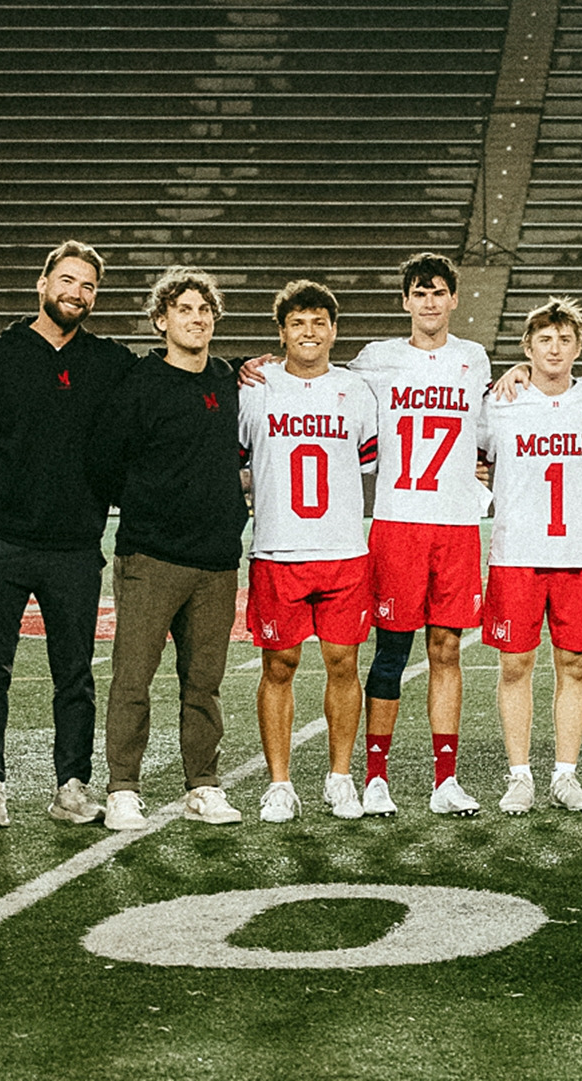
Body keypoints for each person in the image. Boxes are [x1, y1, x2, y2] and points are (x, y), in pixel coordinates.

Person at [0, 240, 137, 828]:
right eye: (67, 280)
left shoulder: (107, 361)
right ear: (43, 284)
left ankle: (71, 788)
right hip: (4, 545)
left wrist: (241, 366)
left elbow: (171, 374)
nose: (76, 293)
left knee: (75, 676)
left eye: (88, 286)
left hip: (75, 549)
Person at [88, 266, 250, 830]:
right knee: (133, 679)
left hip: (216, 560)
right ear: (161, 320)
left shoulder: (227, 379)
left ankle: (203, 785)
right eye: (184, 309)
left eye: (204, 310)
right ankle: (123, 788)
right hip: (151, 555)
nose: (196, 319)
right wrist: (150, 502)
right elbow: (103, 461)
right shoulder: (139, 382)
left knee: (204, 684)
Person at [345, 253, 492, 817]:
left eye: (438, 292)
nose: (429, 302)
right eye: (419, 292)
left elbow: (488, 419)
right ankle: (375, 777)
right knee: (391, 651)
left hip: (455, 525)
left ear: (454, 298)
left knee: (447, 649)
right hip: (399, 521)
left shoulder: (473, 358)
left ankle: (445, 780)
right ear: (405, 300)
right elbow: (325, 382)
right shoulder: (376, 359)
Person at [240, 280, 379, 823]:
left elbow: (367, 461)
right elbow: (236, 458)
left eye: (319, 322)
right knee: (280, 664)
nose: (309, 332)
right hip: (278, 549)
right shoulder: (255, 387)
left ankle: (340, 777)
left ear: (334, 331)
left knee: (344, 663)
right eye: (298, 323)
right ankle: (279, 783)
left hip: (343, 548)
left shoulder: (355, 390)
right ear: (281, 332)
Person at [477, 296, 582, 814]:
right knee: (515, 665)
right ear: (527, 348)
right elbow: (466, 452)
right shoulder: (499, 402)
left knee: (574, 667)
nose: (554, 349)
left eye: (564, 340)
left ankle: (565, 774)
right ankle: (520, 776)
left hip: (580, 555)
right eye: (544, 340)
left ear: (578, 348)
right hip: (517, 554)